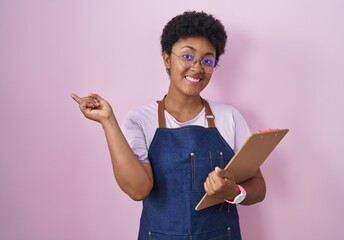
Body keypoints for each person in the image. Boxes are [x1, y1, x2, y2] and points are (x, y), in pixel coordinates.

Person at [71, 11, 266, 240]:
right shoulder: (140, 120)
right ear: (166, 58)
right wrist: (107, 121)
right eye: (187, 56)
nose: (197, 67)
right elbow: (138, 189)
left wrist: (233, 192)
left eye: (207, 60)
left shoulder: (229, 117)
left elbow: (258, 187)